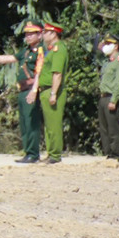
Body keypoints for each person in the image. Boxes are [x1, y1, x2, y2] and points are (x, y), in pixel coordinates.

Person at [0, 21, 44, 163]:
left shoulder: (41, 50)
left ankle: (33, 154)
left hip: (31, 88)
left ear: (40, 34)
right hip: (22, 89)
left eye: (31, 33)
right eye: (27, 33)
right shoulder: (26, 51)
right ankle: (28, 151)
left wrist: (34, 90)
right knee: (24, 122)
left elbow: (39, 71)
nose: (28, 36)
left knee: (31, 121)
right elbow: (8, 59)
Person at [30, 21, 69, 164]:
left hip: (53, 91)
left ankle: (55, 154)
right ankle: (50, 151)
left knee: (54, 124)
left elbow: (57, 73)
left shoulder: (59, 49)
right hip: (45, 90)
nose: (43, 35)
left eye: (46, 32)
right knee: (48, 126)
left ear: (53, 34)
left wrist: (53, 93)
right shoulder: (51, 49)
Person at [95, 34, 119, 161]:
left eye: (109, 44)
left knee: (113, 127)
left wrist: (114, 99)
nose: (106, 46)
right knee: (104, 127)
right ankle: (108, 152)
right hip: (103, 97)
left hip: (112, 97)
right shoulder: (107, 62)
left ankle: (117, 153)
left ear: (116, 46)